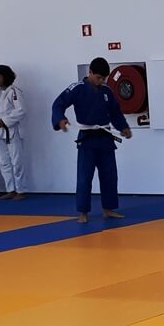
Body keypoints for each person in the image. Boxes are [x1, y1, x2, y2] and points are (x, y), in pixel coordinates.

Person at [52, 57, 133, 223]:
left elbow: (115, 112)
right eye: (98, 77)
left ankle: (108, 208)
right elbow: (58, 104)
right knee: (84, 177)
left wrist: (123, 127)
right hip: (87, 139)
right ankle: (83, 212)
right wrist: (60, 119)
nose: (101, 81)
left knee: (110, 175)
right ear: (90, 72)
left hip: (105, 138)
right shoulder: (77, 88)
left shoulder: (107, 91)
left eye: (104, 78)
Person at [0, 64, 26, 200]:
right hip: (0, 132)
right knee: (4, 162)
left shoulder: (14, 91)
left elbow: (21, 110)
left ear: (6, 76)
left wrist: (4, 121)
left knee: (17, 162)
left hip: (12, 131)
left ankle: (21, 191)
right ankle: (10, 189)